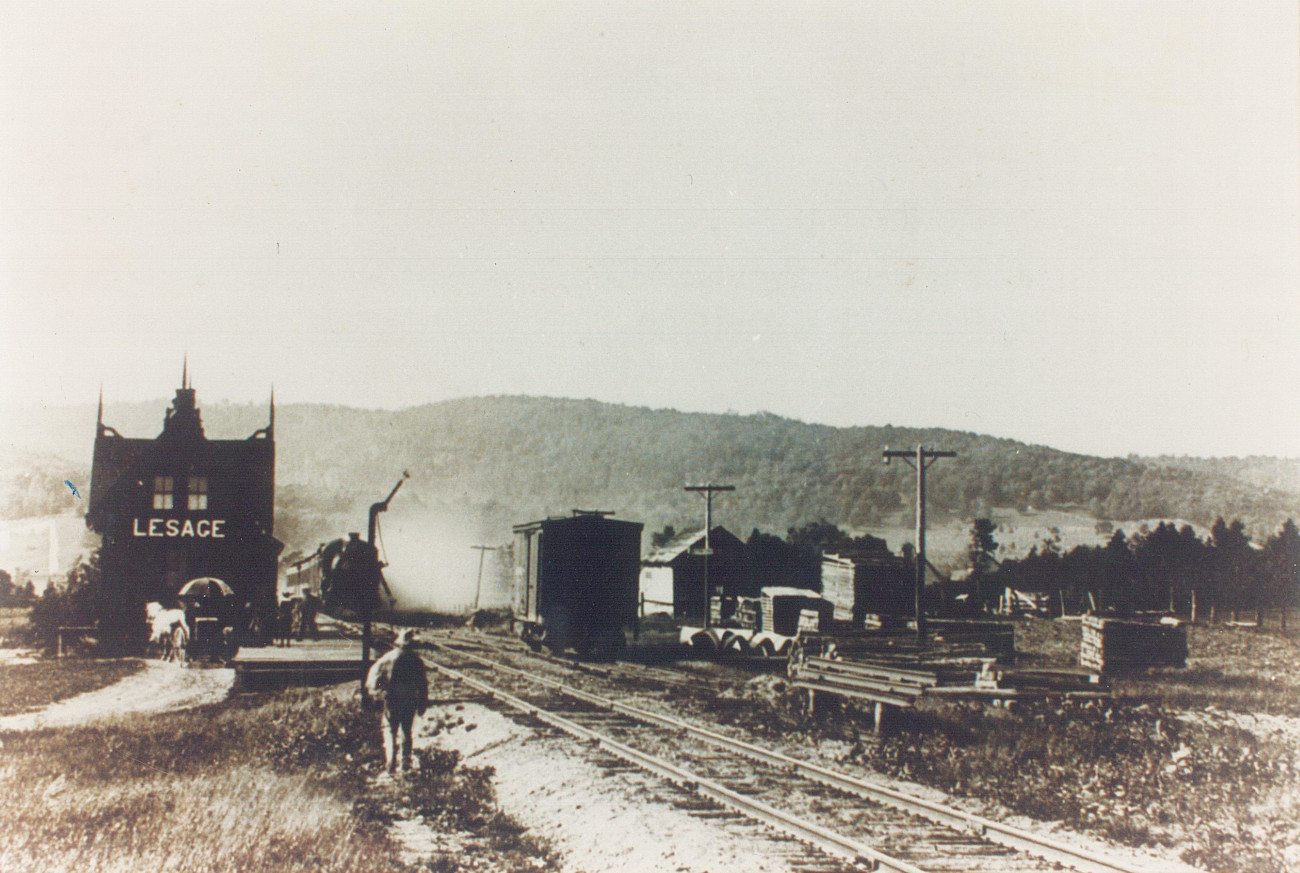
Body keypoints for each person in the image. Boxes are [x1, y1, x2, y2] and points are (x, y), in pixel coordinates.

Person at [364, 628, 429, 774]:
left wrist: (378, 693)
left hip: (392, 699)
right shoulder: (416, 660)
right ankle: (405, 763)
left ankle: (391, 763)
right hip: (409, 699)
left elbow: (372, 679)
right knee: (406, 730)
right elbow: (423, 684)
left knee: (390, 730)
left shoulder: (387, 658)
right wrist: (422, 702)